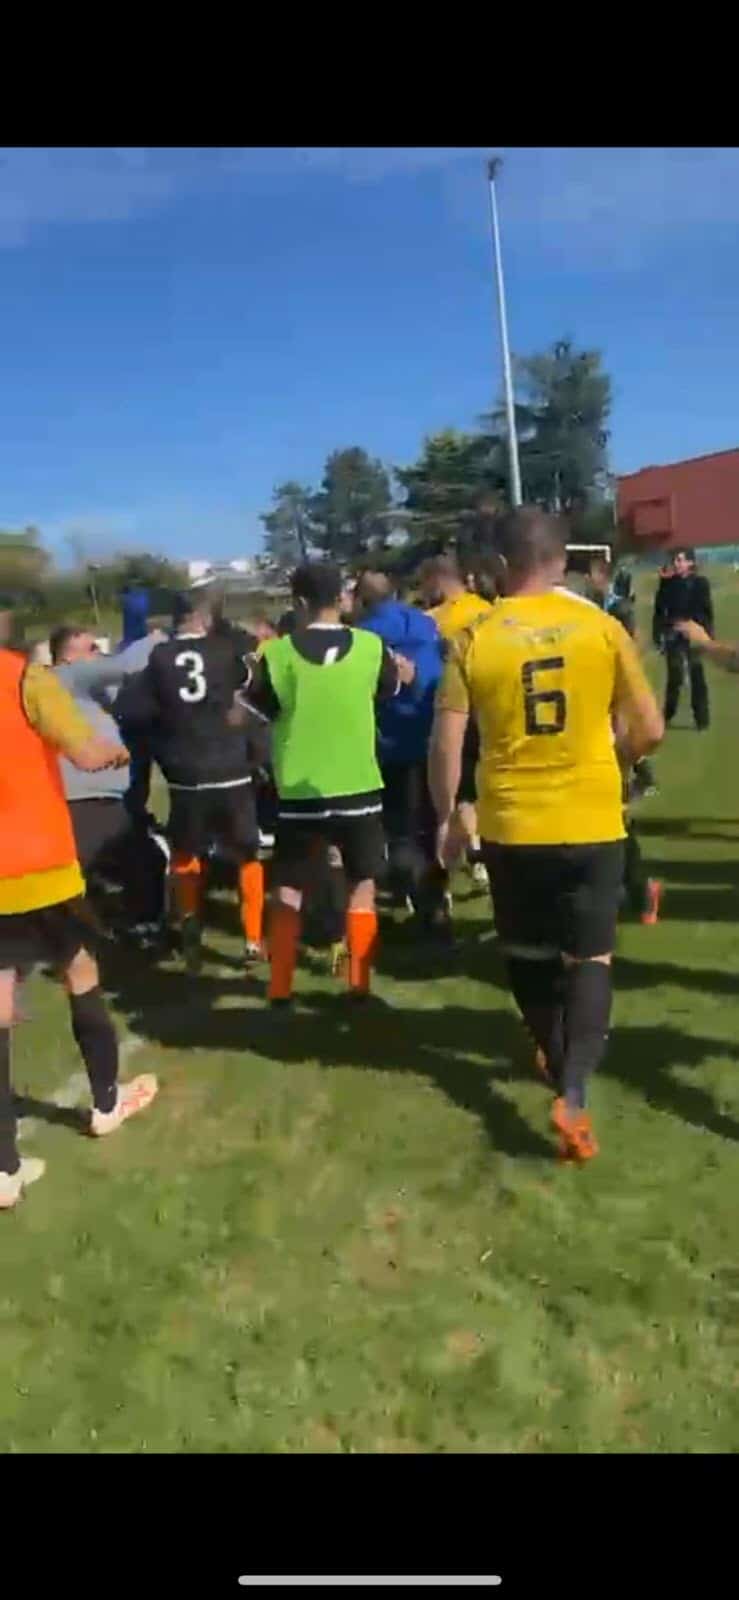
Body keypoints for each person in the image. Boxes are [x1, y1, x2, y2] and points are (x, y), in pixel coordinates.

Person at [429, 508, 663, 1163]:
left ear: (500, 565)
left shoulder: (475, 634)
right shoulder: (602, 626)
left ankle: (557, 1061)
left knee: (529, 956)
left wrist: (449, 818)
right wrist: (609, 756)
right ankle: (575, 1091)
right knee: (588, 958)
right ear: (560, 561)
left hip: (510, 824)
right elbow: (649, 730)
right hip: (590, 818)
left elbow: (446, 743)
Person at [0, 614, 158, 1209]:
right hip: (41, 863)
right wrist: (115, 755)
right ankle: (106, 1101)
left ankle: (3, 1170)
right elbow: (86, 753)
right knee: (79, 972)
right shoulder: (27, 681)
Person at [237, 561, 408, 1008]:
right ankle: (359, 985)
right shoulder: (372, 647)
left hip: (298, 792)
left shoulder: (277, 655)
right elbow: (395, 684)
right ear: (344, 598)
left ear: (298, 603)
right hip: (358, 786)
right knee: (361, 885)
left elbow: (251, 711)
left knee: (289, 888)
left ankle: (279, 989)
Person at [115, 591, 264, 973]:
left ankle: (191, 933)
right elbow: (252, 687)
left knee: (187, 853)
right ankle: (252, 940)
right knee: (247, 853)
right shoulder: (225, 650)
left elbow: (130, 709)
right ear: (203, 619)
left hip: (186, 772)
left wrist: (166, 724)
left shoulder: (158, 659)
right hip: (231, 766)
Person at [50, 624, 168, 939]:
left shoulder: (86, 691)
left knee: (143, 860)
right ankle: (56, 933)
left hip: (105, 798)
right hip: (85, 799)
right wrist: (157, 638)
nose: (99, 655)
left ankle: (137, 923)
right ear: (68, 656)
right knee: (73, 873)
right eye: (92, 649)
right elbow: (126, 666)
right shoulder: (68, 676)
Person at [354, 570, 446, 931]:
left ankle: (421, 907)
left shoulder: (362, 637)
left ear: (362, 599)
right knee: (429, 823)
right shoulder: (426, 623)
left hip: (389, 742)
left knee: (401, 829)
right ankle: (435, 902)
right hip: (432, 734)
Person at [418, 554, 495, 888]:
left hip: (453, 710)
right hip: (491, 708)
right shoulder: (488, 610)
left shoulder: (432, 620)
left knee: (461, 789)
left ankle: (475, 849)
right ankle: (481, 851)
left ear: (437, 581)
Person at [652, 549, 713, 730]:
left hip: (694, 634)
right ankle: (667, 715)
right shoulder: (668, 584)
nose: (677, 564)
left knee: (697, 674)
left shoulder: (701, 584)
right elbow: (659, 611)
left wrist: (705, 633)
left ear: (690, 563)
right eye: (675, 560)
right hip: (674, 634)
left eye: (680, 560)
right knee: (675, 675)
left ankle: (702, 719)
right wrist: (659, 634)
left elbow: (707, 611)